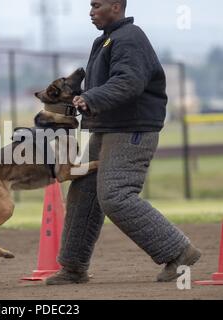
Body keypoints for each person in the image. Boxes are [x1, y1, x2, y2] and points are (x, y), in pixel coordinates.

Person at [46, 0, 201, 285]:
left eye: (96, 5)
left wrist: (90, 98)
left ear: (116, 6)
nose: (91, 11)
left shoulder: (130, 38)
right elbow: (104, 84)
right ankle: (73, 267)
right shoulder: (105, 40)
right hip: (107, 127)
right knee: (83, 193)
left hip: (132, 129)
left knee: (116, 194)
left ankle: (179, 251)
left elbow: (128, 82)